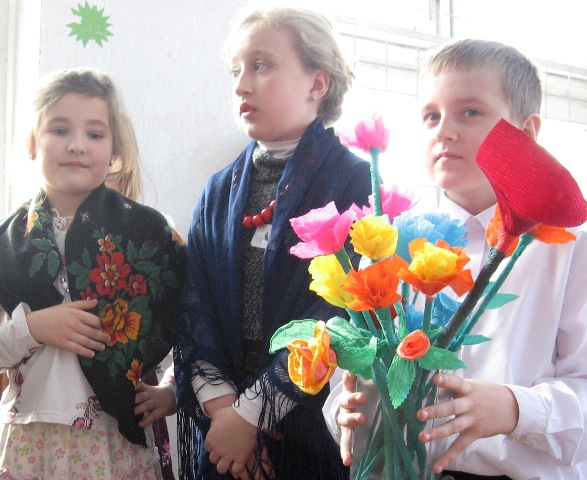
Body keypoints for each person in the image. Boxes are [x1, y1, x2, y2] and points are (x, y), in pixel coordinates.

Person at [327, 38, 587, 479]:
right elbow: (352, 374)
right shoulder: (389, 243)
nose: (444, 131)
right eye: (431, 116)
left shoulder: (569, 248)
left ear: (526, 133)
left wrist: (515, 408)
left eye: (470, 112)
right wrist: (345, 409)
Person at [174, 4, 372, 480]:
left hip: (314, 430)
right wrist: (226, 415)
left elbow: (338, 314)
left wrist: (253, 414)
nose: (241, 85)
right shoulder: (218, 190)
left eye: (261, 66)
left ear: (317, 83)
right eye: (236, 71)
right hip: (223, 437)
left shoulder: (357, 183)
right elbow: (194, 307)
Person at [0, 68, 186, 479]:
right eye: (59, 130)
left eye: (95, 134)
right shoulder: (6, 244)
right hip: (28, 441)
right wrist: (33, 327)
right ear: (32, 143)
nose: (77, 145)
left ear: (115, 149)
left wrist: (173, 388)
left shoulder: (150, 234)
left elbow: (192, 322)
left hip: (114, 442)